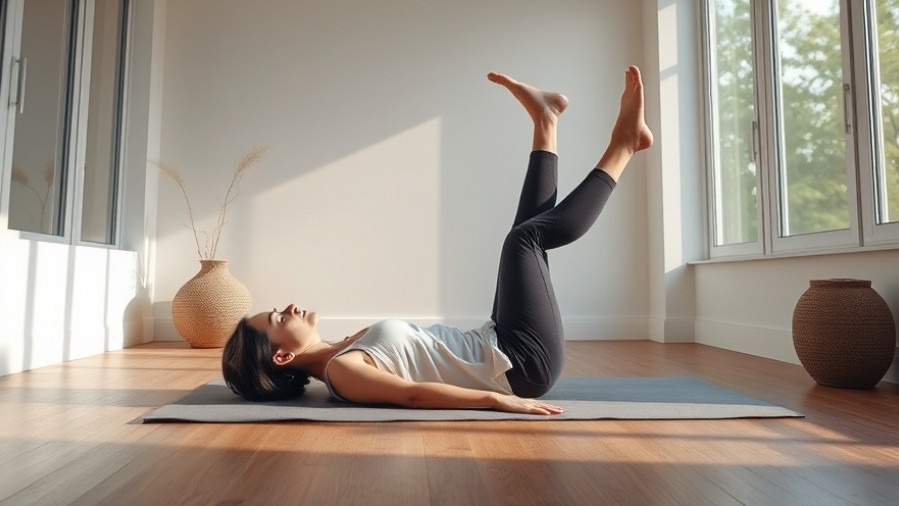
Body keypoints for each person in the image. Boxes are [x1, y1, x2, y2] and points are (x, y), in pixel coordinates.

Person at [222, 65, 653, 414]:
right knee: (525, 242)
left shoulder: (341, 349)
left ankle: (546, 120)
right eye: (279, 317)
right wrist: (496, 400)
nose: (290, 307)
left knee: (521, 235)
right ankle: (624, 146)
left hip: (499, 341)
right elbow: (413, 396)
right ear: (281, 358)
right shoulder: (342, 371)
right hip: (520, 367)